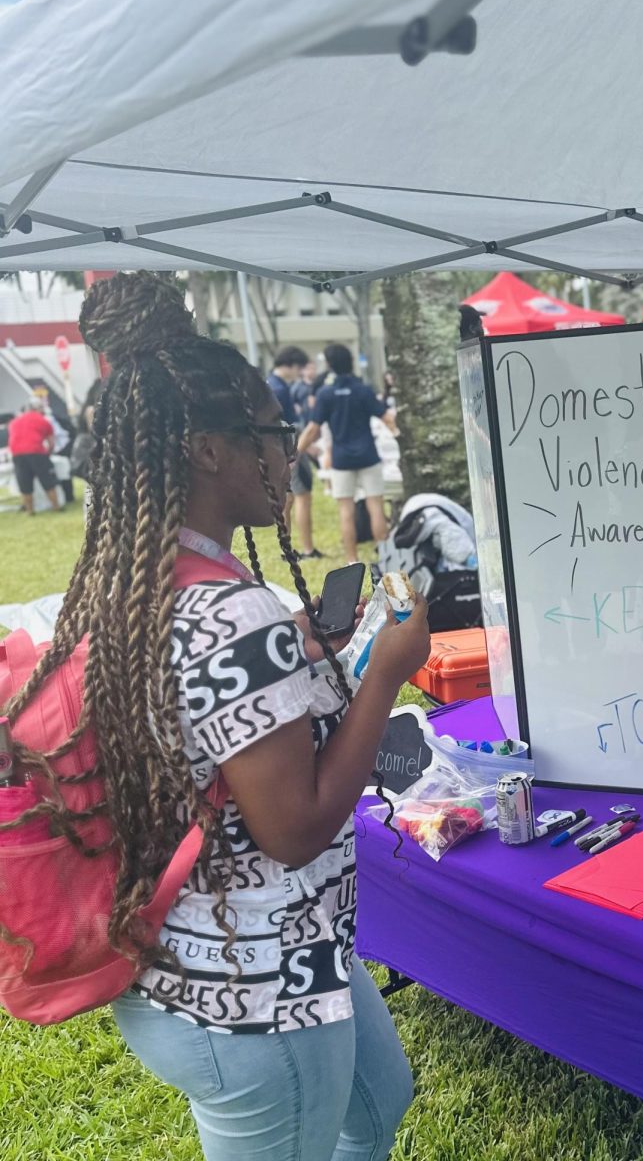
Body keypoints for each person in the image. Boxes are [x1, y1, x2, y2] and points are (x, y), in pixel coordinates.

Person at [3, 272, 429, 1159]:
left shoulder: (133, 587)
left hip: (228, 952)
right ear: (206, 451)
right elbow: (296, 827)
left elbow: (197, 718)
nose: (288, 452)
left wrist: (296, 658)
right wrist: (386, 672)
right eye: (271, 431)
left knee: (378, 1103)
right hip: (249, 993)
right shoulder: (233, 615)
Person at [298, 344, 390, 564]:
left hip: (341, 459)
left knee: (345, 510)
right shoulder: (363, 389)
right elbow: (386, 417)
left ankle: (352, 560)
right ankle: (385, 555)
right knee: (376, 506)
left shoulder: (325, 394)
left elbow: (312, 429)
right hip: (369, 455)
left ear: (329, 365)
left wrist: (295, 452)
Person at [268, 345, 323, 560]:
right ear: (290, 366)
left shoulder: (271, 384)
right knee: (296, 497)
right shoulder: (279, 389)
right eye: (299, 368)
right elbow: (286, 425)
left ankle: (288, 548)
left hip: (282, 448)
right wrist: (305, 446)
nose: (300, 373)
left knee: (289, 499)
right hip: (287, 449)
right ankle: (299, 549)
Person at [8, 396, 62, 513]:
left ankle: (30, 510)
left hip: (17, 454)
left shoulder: (14, 422)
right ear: (39, 409)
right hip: (36, 452)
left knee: (25, 484)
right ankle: (56, 507)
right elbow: (51, 443)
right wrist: (49, 453)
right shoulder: (43, 420)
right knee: (48, 481)